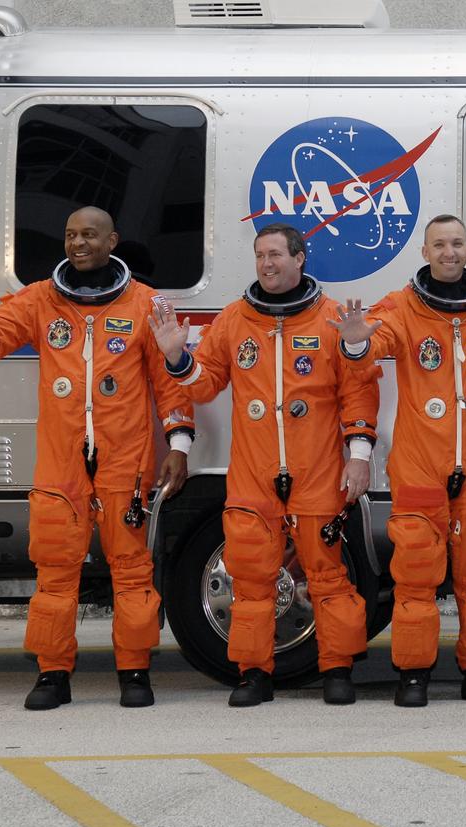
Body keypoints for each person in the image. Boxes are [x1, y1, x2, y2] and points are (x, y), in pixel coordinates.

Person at [0, 208, 194, 710]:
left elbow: (169, 384)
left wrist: (178, 445)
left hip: (124, 460)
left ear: (113, 241)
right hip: (62, 464)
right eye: (69, 235)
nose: (77, 243)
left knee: (132, 569)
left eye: (88, 234)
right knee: (56, 572)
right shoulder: (41, 300)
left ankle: (134, 671)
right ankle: (52, 674)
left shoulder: (145, 304)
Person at [149, 223, 380, 707]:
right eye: (260, 256)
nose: (267, 264)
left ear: (300, 258)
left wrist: (359, 458)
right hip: (254, 473)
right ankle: (254, 673)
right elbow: (205, 383)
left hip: (317, 470)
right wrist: (176, 358)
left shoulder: (332, 319)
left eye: (276, 254)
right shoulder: (234, 320)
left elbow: (358, 390)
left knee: (328, 575)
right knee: (251, 576)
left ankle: (336, 669)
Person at [330, 214, 466, 707]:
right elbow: (368, 349)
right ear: (425, 252)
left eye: (457, 243)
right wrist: (354, 339)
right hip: (421, 462)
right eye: (439, 244)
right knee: (415, 572)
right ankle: (413, 673)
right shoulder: (401, 306)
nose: (449, 252)